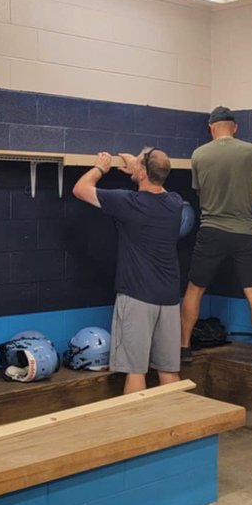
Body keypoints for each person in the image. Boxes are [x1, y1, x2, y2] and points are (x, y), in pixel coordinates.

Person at [72, 148, 183, 394]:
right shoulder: (175, 203)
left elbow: (80, 189)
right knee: (168, 371)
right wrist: (139, 167)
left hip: (137, 297)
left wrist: (100, 168)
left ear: (142, 173)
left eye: (139, 163)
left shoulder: (128, 202)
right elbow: (157, 185)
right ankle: (177, 419)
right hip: (169, 299)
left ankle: (137, 421)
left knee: (135, 371)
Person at [181, 106, 252, 375]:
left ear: (211, 128)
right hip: (244, 231)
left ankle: (184, 347)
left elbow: (201, 193)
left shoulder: (199, 155)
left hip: (211, 230)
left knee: (194, 290)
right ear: (235, 127)